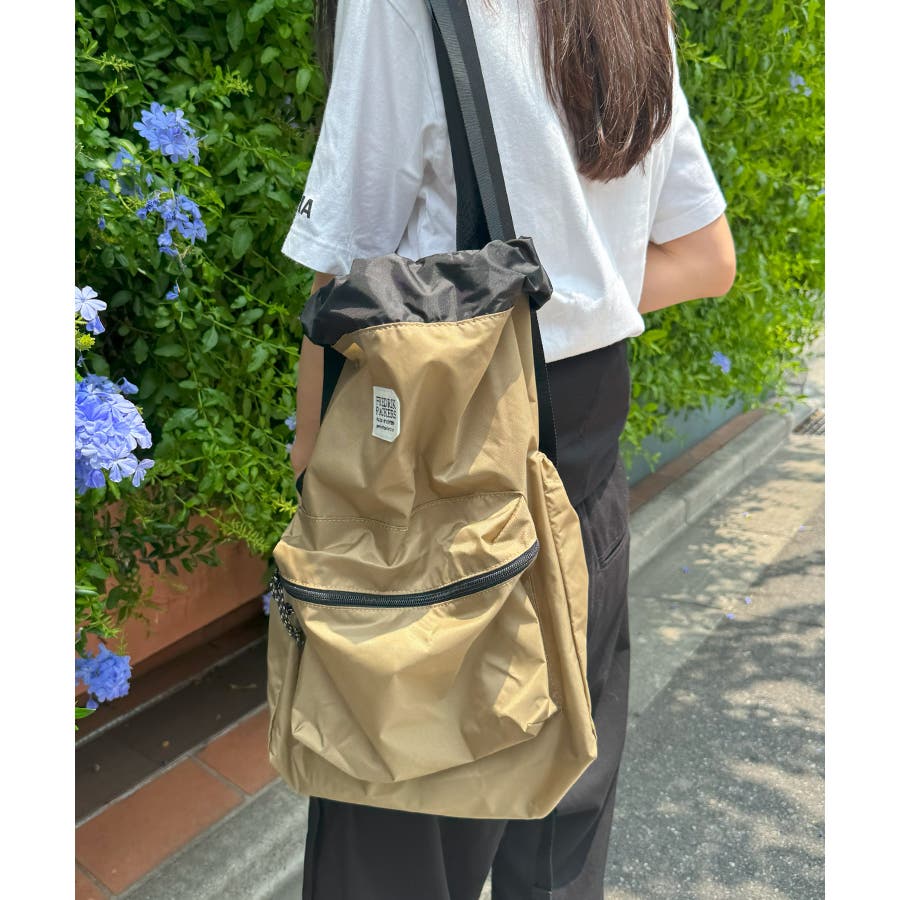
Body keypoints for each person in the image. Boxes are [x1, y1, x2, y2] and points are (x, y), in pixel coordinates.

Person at [280, 0, 736, 897]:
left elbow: (349, 287)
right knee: (558, 850)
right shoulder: (630, 11)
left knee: (397, 845)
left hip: (436, 477)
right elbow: (705, 256)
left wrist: (317, 474)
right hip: (586, 474)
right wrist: (566, 298)